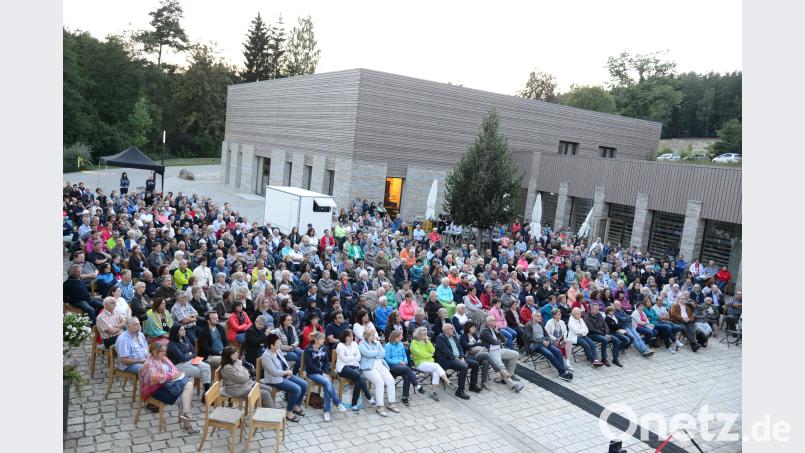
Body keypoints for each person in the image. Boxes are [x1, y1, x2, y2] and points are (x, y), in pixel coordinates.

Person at [139, 342, 199, 433]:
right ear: (155, 351)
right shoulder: (149, 363)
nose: (165, 353)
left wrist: (176, 374)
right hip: (155, 389)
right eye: (162, 351)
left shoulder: (163, 358)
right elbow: (154, 377)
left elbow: (173, 368)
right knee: (185, 396)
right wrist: (171, 376)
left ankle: (186, 413)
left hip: (167, 384)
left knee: (188, 386)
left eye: (165, 351)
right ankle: (187, 423)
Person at [261, 333, 307, 423]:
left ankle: (296, 405)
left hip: (284, 375)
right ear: (271, 345)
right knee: (297, 389)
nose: (280, 344)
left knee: (304, 384)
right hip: (274, 379)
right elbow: (274, 372)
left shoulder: (277, 350)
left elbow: (284, 362)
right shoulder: (266, 356)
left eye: (279, 342)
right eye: (278, 343)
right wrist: (286, 372)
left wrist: (288, 370)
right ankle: (289, 412)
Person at [303, 332, 348, 422]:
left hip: (323, 373)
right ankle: (337, 402)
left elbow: (327, 361)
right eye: (322, 339)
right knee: (328, 382)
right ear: (316, 340)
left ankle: (326, 411)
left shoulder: (323, 348)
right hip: (313, 373)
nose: (324, 340)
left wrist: (326, 372)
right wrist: (322, 373)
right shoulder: (308, 350)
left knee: (327, 385)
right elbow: (309, 365)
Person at [359, 327, 400, 415]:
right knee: (379, 382)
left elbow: (383, 354)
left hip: (380, 365)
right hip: (368, 368)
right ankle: (380, 406)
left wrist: (374, 353)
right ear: (367, 336)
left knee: (391, 380)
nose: (374, 336)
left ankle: (391, 404)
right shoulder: (362, 344)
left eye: (374, 334)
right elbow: (366, 353)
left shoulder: (377, 343)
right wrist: (376, 352)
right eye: (372, 335)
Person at [478, 316, 524, 393]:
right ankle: (513, 385)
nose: (495, 321)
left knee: (515, 354)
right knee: (501, 365)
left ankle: (510, 374)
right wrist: (499, 341)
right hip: (491, 352)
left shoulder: (495, 329)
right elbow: (494, 342)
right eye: (494, 320)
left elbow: (504, 340)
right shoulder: (484, 331)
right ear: (489, 322)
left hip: (499, 349)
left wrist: (497, 332)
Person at [166, 324, 212, 399]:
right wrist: (188, 354)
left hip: (190, 361)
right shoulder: (172, 344)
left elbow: (194, 352)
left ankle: (206, 394)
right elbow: (182, 358)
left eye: (184, 329)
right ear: (176, 332)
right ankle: (206, 395)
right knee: (203, 372)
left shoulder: (186, 338)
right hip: (179, 365)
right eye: (181, 330)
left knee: (207, 367)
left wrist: (188, 355)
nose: (184, 331)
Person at [410, 326, 453, 401]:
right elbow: (420, 354)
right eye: (424, 334)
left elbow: (433, 350)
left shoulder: (425, 341)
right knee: (436, 366)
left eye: (426, 333)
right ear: (419, 335)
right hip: (420, 363)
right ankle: (447, 381)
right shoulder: (414, 344)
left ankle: (433, 392)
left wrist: (428, 342)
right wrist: (430, 355)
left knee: (436, 372)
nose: (426, 335)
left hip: (430, 363)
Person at [335, 329, 374, 412]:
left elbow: (359, 357)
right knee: (360, 377)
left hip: (355, 366)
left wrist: (349, 356)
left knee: (358, 380)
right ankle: (369, 397)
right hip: (343, 368)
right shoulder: (340, 346)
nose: (352, 337)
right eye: (350, 336)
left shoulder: (355, 344)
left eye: (352, 335)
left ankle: (354, 405)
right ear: (345, 337)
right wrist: (353, 356)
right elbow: (344, 360)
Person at [526, 312, 573, 379]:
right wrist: (542, 340)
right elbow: (529, 338)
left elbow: (547, 334)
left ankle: (563, 371)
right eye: (538, 316)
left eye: (540, 316)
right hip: (535, 344)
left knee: (558, 351)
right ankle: (562, 372)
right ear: (533, 316)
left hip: (545, 342)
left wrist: (548, 341)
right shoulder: (528, 325)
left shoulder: (541, 323)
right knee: (549, 354)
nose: (540, 317)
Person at [384, 329, 423, 406]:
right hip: (393, 366)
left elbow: (404, 356)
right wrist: (399, 362)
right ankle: (417, 385)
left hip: (402, 366)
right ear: (395, 337)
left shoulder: (400, 344)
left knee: (407, 376)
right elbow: (387, 360)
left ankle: (405, 397)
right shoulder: (388, 346)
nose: (402, 338)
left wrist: (405, 361)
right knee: (407, 370)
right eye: (400, 337)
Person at [434, 323, 473, 400]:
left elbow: (460, 348)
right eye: (451, 328)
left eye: (452, 328)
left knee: (475, 364)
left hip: (458, 358)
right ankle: (459, 391)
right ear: (446, 330)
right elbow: (446, 353)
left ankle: (473, 385)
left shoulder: (454, 336)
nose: (453, 329)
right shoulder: (440, 338)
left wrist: (462, 357)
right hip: (447, 360)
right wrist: (458, 359)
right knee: (464, 367)